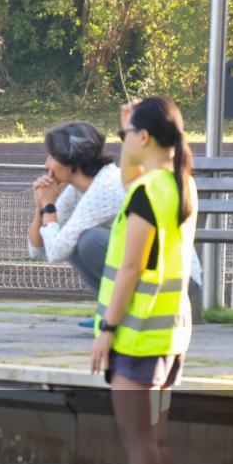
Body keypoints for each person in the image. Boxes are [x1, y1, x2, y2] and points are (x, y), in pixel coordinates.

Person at [89, 97, 198, 464]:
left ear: (146, 137)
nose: (123, 140)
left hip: (137, 335)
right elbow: (130, 173)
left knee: (138, 443)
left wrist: (107, 329)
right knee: (157, 441)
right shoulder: (178, 184)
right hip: (171, 335)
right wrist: (125, 132)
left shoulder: (146, 195)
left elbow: (130, 268)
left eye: (128, 133)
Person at [30, 121, 204, 327]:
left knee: (89, 240)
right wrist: (40, 206)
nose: (46, 164)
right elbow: (37, 250)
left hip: (176, 290)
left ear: (71, 160)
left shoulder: (104, 188)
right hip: (160, 283)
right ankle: (113, 311)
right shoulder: (77, 189)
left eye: (52, 156)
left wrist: (49, 205)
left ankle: (120, 314)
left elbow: (56, 252)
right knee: (76, 241)